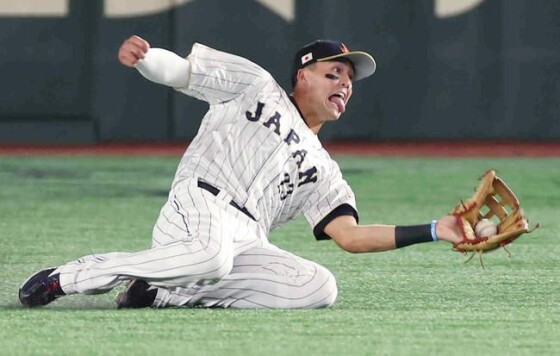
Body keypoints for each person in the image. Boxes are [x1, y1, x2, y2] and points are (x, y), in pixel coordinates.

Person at [19, 35, 462, 309]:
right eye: (335, 73)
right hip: (199, 203)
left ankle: (166, 292)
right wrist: (147, 58)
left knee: (317, 287)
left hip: (248, 238)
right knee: (211, 256)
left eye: (349, 81)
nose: (345, 84)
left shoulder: (325, 170)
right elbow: (184, 72)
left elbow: (349, 236)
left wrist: (435, 229)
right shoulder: (256, 86)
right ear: (303, 75)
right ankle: (75, 276)